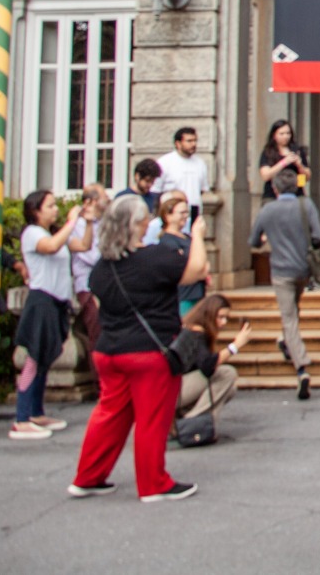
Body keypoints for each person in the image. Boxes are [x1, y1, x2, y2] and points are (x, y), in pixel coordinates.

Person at [71, 195, 207, 501]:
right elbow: (197, 269)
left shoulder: (102, 268)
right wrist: (197, 235)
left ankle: (88, 476)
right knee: (152, 419)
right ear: (138, 225)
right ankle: (153, 483)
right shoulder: (155, 258)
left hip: (109, 350)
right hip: (148, 352)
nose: (149, 222)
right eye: (145, 218)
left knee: (109, 414)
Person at [13, 189, 90, 440]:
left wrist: (87, 222)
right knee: (34, 358)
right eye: (50, 206)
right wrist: (71, 222)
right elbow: (51, 247)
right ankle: (21, 418)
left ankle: (36, 412)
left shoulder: (53, 233)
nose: (55, 209)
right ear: (36, 211)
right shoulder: (32, 234)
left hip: (57, 302)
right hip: (41, 300)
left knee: (46, 358)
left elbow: (83, 245)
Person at [248, 167, 320, 400]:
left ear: (275, 188)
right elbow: (319, 237)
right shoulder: (306, 205)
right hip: (303, 269)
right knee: (293, 309)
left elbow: (253, 242)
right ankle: (285, 341)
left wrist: (267, 238)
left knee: (288, 316)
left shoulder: (268, 209)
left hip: (281, 270)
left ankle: (301, 367)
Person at [173, 294, 250, 430]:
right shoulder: (195, 332)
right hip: (173, 391)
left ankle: (199, 422)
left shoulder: (193, 329)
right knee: (227, 373)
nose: (224, 322)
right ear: (209, 314)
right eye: (220, 317)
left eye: (226, 318)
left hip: (177, 388)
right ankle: (193, 422)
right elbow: (207, 366)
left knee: (228, 389)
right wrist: (234, 346)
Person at [154, 192, 205, 315]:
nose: (185, 217)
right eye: (181, 213)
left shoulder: (187, 237)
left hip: (198, 291)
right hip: (183, 296)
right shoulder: (167, 241)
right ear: (168, 216)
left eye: (186, 213)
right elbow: (184, 264)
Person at [69, 183, 107, 351]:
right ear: (90, 202)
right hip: (88, 285)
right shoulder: (77, 225)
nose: (107, 201)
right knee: (97, 332)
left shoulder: (105, 222)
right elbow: (91, 256)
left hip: (107, 285)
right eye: (103, 197)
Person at [156, 127, 209, 225]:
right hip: (172, 215)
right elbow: (156, 190)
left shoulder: (200, 163)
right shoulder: (165, 162)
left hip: (194, 214)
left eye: (195, 141)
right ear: (178, 143)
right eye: (189, 141)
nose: (193, 144)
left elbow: (201, 190)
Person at [258, 118, 310, 201]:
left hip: (296, 195)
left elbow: (306, 178)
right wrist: (284, 162)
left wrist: (299, 165)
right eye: (281, 134)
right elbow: (265, 176)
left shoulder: (297, 150)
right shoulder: (268, 152)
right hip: (272, 196)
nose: (285, 136)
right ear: (274, 135)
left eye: (288, 133)